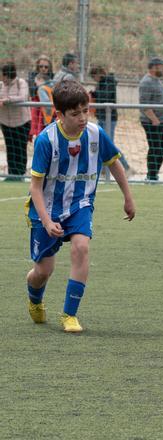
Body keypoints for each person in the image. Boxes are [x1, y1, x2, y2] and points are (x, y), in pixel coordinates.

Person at [25, 79, 136, 333]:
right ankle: (34, 299)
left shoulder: (97, 134)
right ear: (60, 114)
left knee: (81, 247)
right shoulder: (46, 140)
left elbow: (114, 163)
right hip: (47, 209)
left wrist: (128, 197)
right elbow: (35, 187)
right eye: (75, 114)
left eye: (86, 110)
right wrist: (46, 220)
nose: (83, 117)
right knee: (43, 270)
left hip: (80, 204)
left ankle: (69, 315)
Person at [139, 57, 163, 181]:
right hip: (152, 122)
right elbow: (144, 104)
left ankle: (154, 173)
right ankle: (151, 175)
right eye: (161, 66)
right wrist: (154, 119)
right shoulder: (146, 82)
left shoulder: (157, 80)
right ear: (154, 67)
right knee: (155, 148)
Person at [0, 62, 31, 180]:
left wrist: (7, 100)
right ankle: (11, 174)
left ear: (7, 74)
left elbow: (22, 97)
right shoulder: (1, 85)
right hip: (6, 123)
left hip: (22, 123)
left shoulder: (21, 83)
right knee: (10, 148)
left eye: (2, 74)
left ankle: (20, 174)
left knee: (20, 148)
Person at [29, 73, 55, 140]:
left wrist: (47, 119)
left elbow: (46, 102)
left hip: (49, 116)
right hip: (56, 114)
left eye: (36, 82)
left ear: (40, 79)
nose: (36, 85)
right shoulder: (52, 86)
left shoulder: (41, 88)